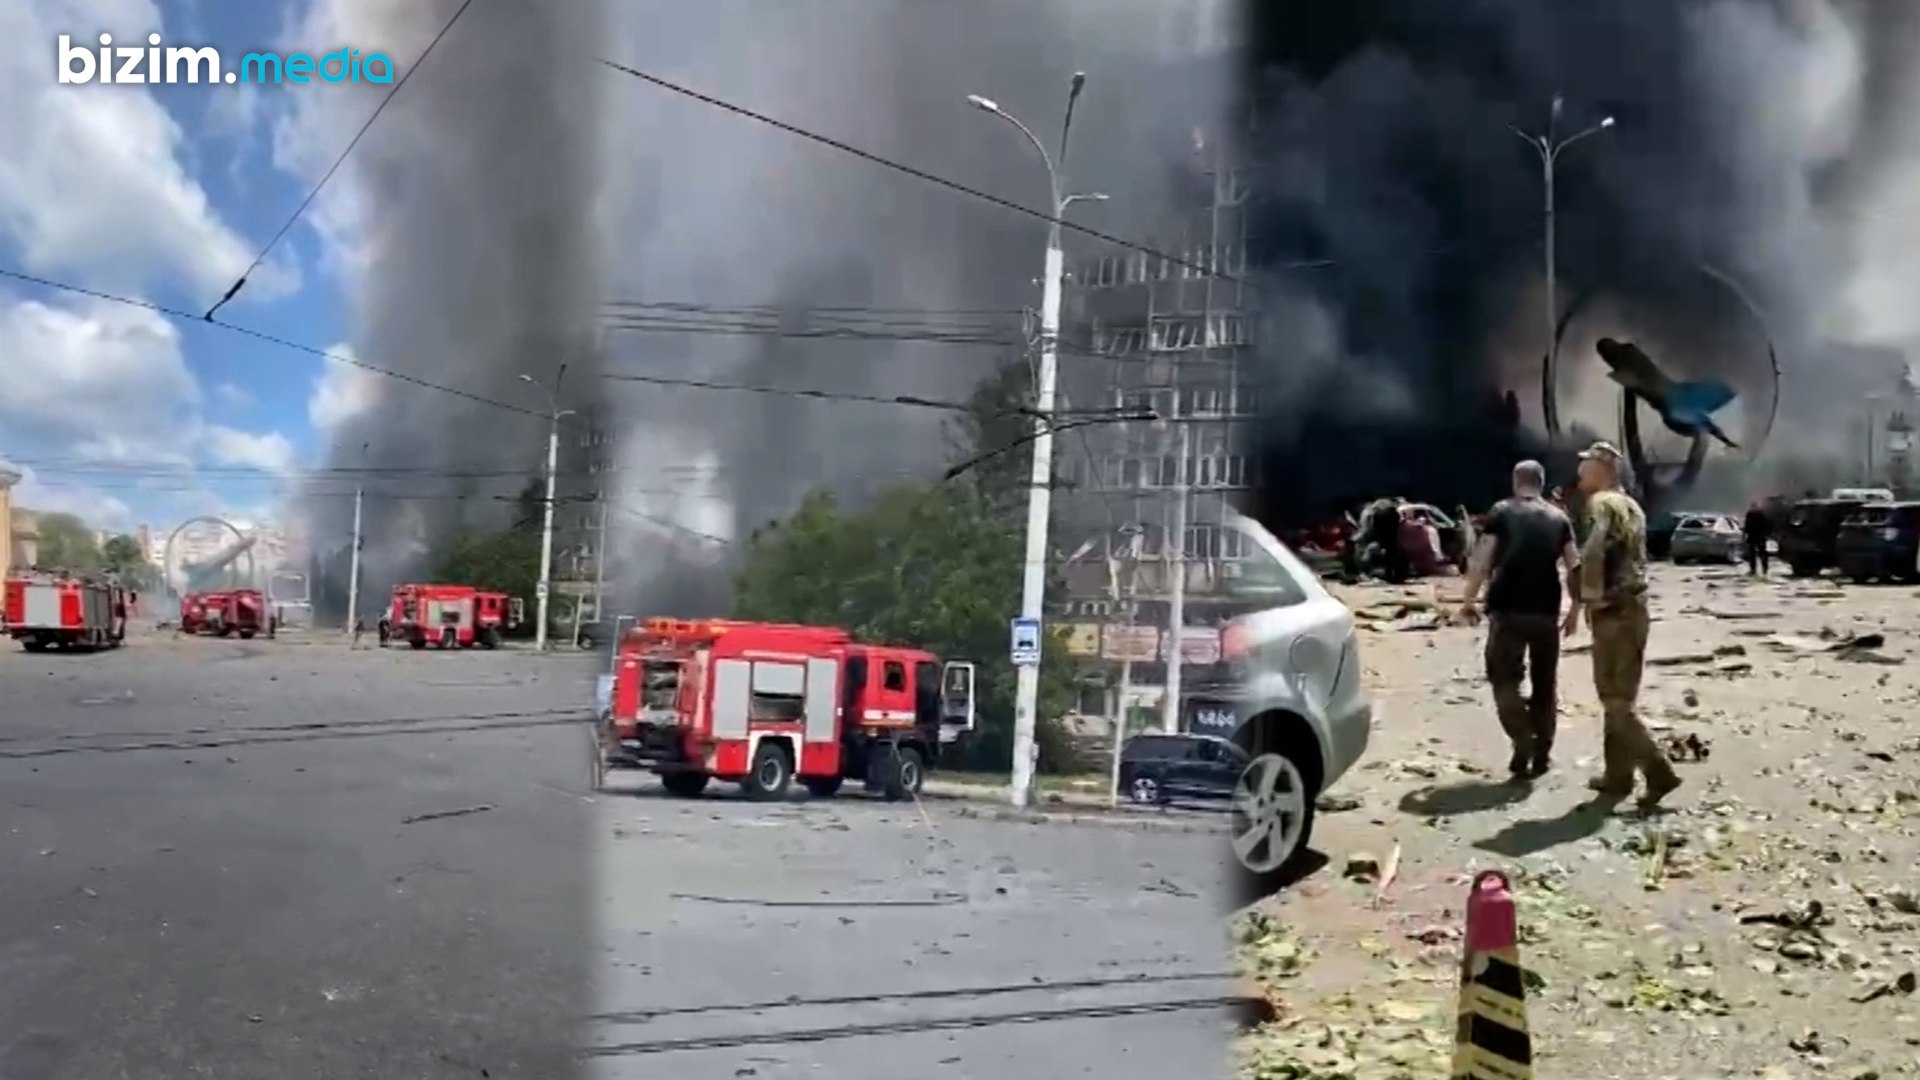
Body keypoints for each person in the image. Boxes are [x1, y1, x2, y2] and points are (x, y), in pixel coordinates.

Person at [1570, 441, 1681, 808]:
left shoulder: (1600, 504)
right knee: (1622, 697)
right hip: (1636, 608)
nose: (1580, 471)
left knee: (1614, 699)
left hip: (1612, 612)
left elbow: (1593, 551)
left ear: (1603, 468)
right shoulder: (1633, 506)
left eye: (1586, 465)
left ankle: (1658, 771)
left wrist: (1589, 597)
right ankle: (1618, 775)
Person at [1459, 461, 1579, 780]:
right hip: (1546, 611)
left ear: (1516, 481)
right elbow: (1574, 566)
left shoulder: (1501, 512)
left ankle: (1522, 738)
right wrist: (1576, 611)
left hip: (1507, 609)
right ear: (1540, 482)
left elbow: (1483, 560)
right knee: (1545, 685)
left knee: (1503, 679)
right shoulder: (1560, 518)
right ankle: (1542, 756)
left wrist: (1468, 601)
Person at [1742, 500, 1773, 576]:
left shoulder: (1751, 513)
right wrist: (1767, 534)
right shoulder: (1761, 514)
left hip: (1753, 536)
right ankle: (1764, 569)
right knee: (1762, 553)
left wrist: (1744, 534)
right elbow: (1766, 524)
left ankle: (1754, 570)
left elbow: (1747, 525)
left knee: (1753, 554)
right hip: (1759, 536)